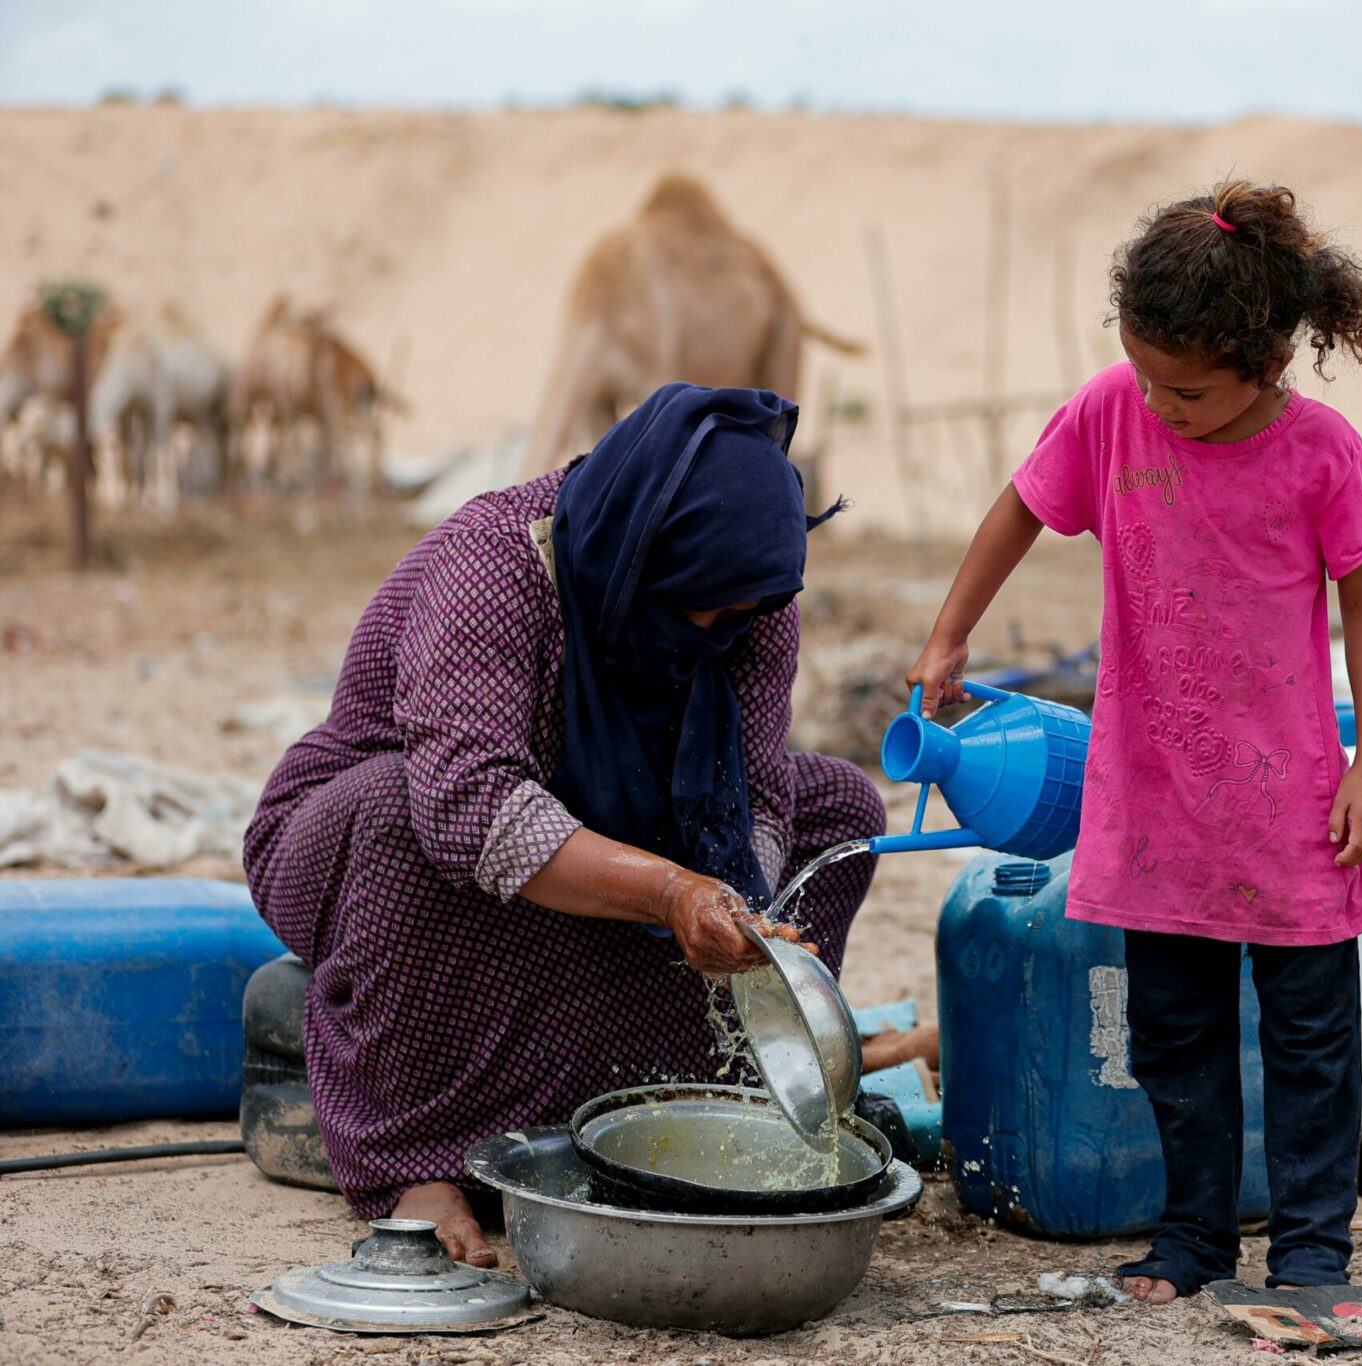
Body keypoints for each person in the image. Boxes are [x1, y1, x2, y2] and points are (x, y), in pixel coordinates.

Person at [244, 384, 886, 1264]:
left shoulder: (754, 599)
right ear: (636, 553)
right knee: (400, 810)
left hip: (624, 830)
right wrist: (669, 891)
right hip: (371, 843)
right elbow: (469, 804)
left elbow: (760, 791)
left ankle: (680, 1102)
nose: (710, 632)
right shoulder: (496, 563)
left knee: (840, 812)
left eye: (734, 618)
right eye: (688, 604)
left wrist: (745, 911)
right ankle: (412, 1157)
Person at [906, 181, 1362, 1302]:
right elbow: (1020, 505)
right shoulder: (1110, 412)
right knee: (1171, 1036)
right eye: (1142, 373)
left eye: (1186, 389)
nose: (1159, 404)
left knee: (1310, 1038)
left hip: (1292, 806)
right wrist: (950, 632)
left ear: (1267, 363)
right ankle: (1192, 1239)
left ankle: (1311, 1250)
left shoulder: (1322, 452)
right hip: (1154, 798)